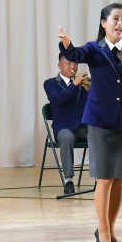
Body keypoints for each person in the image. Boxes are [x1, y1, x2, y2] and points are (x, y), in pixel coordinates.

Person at [57, 3, 122, 242]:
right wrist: (67, 45)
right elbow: (76, 54)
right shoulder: (95, 49)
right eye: (115, 18)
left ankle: (111, 231)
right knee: (104, 179)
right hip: (101, 121)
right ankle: (102, 232)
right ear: (104, 23)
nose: (120, 23)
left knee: (120, 180)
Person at [43, 53, 89, 195]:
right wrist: (75, 85)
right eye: (68, 63)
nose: (72, 66)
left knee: (101, 133)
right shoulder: (50, 83)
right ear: (59, 66)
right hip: (64, 127)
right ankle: (68, 180)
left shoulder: (85, 83)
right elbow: (58, 101)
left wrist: (93, 90)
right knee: (67, 137)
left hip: (83, 127)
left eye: (75, 63)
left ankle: (100, 178)